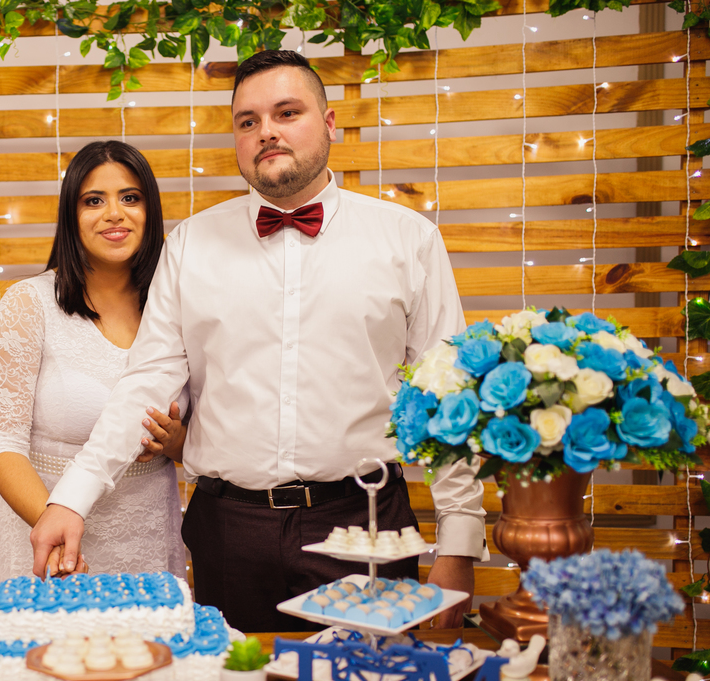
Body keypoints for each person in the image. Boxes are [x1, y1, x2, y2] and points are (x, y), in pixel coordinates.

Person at [28, 49, 488, 632]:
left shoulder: (408, 240)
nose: (266, 131)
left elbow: (450, 399)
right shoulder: (191, 245)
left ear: (329, 124)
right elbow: (144, 384)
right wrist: (71, 497)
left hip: (365, 521)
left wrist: (460, 546)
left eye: (286, 112)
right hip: (227, 531)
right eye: (247, 121)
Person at [0, 140, 189, 597]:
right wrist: (54, 522)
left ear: (150, 211)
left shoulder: (177, 308)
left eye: (130, 198)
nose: (114, 213)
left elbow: (205, 438)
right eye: (94, 200)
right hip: (49, 539)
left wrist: (177, 442)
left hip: (149, 538)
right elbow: (2, 446)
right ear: (71, 217)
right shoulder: (28, 305)